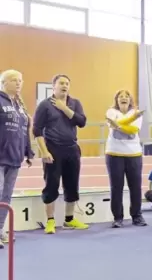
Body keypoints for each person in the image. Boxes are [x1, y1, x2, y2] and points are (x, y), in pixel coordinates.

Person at [33, 74, 88, 234]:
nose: (64, 86)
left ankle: (69, 220)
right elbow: (36, 130)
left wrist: (64, 108)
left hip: (71, 149)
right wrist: (44, 151)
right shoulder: (44, 105)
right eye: (61, 83)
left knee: (72, 185)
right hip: (53, 149)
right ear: (54, 86)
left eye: (67, 84)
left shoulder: (75, 103)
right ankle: (50, 221)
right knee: (51, 185)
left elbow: (82, 122)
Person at [0, 70, 34, 249]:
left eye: (20, 80)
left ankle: (0, 229)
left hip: (14, 158)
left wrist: (28, 152)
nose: (18, 83)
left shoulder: (21, 107)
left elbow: (25, 131)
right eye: (14, 80)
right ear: (4, 82)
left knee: (6, 197)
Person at [105, 90, 147, 228]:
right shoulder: (110, 112)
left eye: (126, 97)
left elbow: (133, 130)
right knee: (116, 187)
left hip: (134, 154)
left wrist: (118, 125)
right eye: (120, 97)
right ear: (116, 100)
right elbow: (115, 125)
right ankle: (118, 217)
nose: (123, 99)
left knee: (135, 187)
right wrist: (121, 124)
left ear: (130, 100)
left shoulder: (136, 113)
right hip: (114, 154)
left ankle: (137, 215)